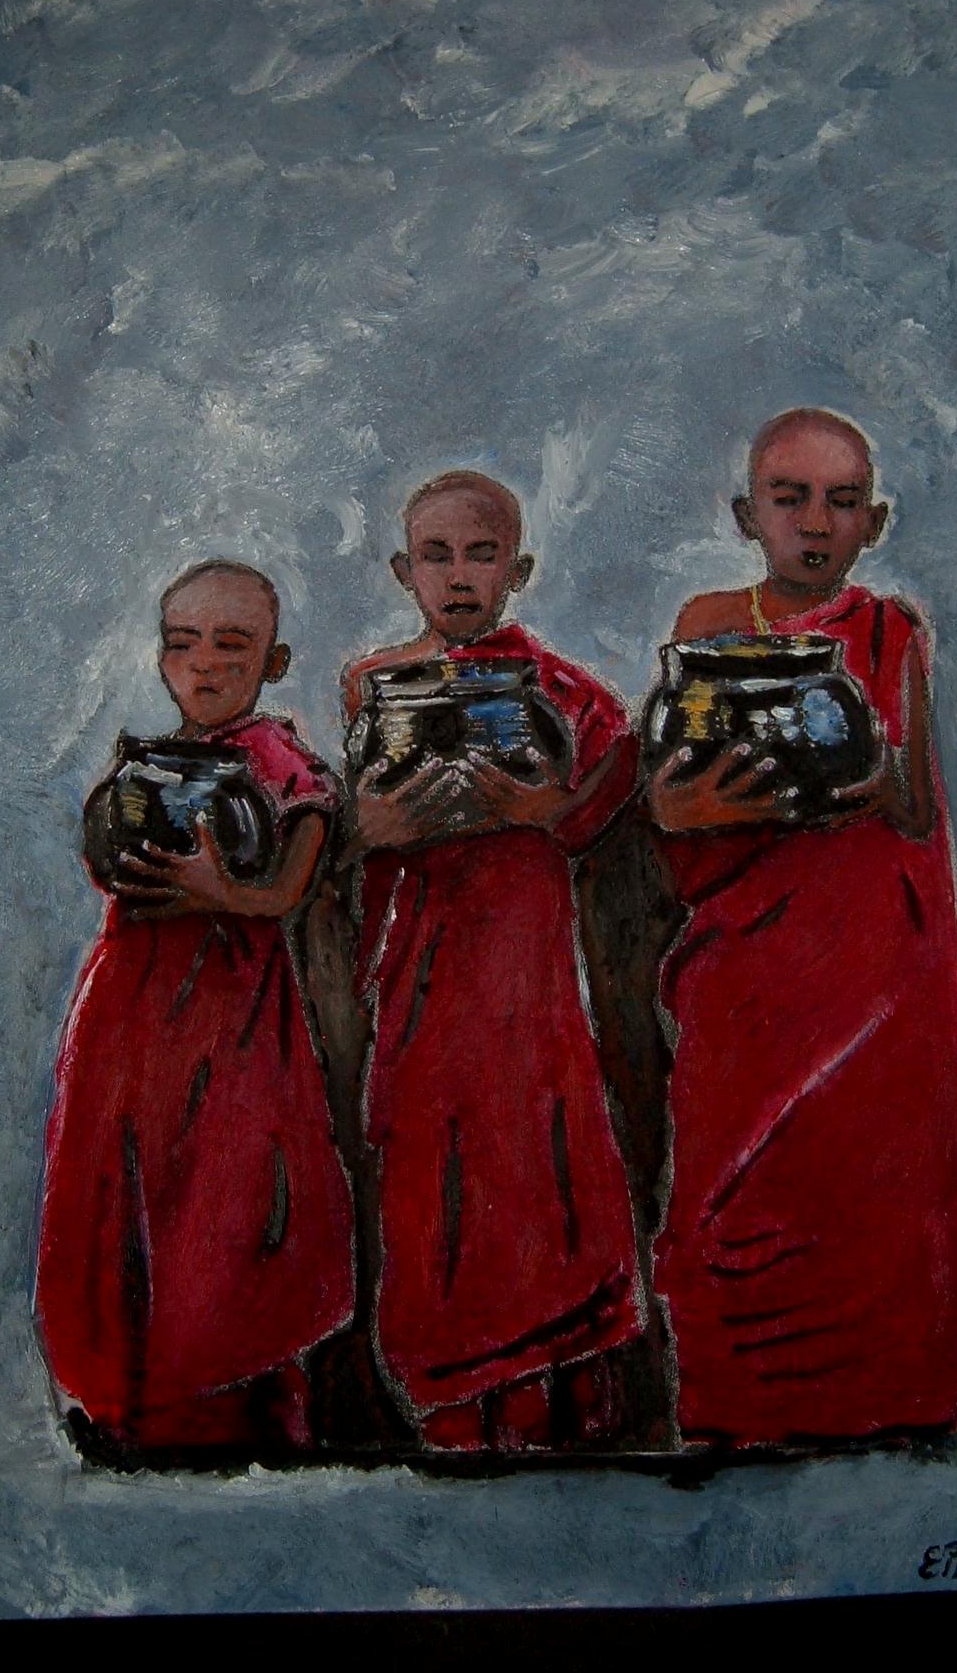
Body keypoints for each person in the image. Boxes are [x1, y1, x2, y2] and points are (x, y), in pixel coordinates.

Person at [646, 410, 957, 1449]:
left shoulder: (892, 633)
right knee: (730, 1201)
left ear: (873, 521)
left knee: (874, 1198)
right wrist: (700, 806)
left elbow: (915, 809)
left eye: (841, 502)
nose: (816, 523)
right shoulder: (708, 623)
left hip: (873, 980)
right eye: (790, 499)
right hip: (746, 977)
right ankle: (736, 1421)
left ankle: (893, 1414)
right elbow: (666, 796)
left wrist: (857, 782)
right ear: (749, 515)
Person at [340, 471, 645, 1451]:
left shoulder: (563, 690)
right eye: (437, 556)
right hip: (417, 978)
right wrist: (367, 829)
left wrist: (546, 812)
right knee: (427, 1170)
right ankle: (452, 1402)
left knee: (542, 1163)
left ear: (519, 569)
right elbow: (343, 827)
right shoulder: (371, 686)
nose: (460, 576)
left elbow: (608, 798)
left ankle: (556, 1393)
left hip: (526, 978)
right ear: (405, 571)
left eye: (482, 554)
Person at [34, 560, 355, 1455]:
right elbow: (106, 855)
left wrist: (220, 891)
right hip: (131, 1008)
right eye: (184, 645)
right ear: (162, 658)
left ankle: (223, 1410)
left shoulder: (280, 761)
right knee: (117, 1183)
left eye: (231, 646)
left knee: (225, 1196)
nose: (205, 666)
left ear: (273, 662)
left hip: (232, 1012)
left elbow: (286, 890)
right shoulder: (144, 762)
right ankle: (123, 1403)